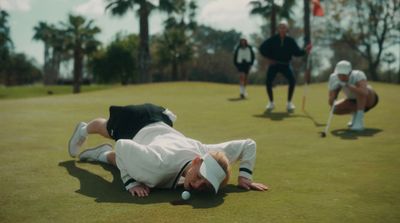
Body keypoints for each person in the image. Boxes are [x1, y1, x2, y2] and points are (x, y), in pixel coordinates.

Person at [68, 103, 268, 197]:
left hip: (159, 127)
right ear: (198, 160)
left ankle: (100, 154)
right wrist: (131, 182)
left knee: (130, 161)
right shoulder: (158, 167)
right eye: (200, 177)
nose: (197, 185)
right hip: (136, 122)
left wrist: (244, 178)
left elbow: (248, 144)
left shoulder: (209, 153)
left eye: (205, 184)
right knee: (106, 129)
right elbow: (122, 146)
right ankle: (84, 129)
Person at [259, 19, 312, 112]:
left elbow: (297, 52)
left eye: (284, 28)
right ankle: (271, 103)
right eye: (281, 27)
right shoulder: (272, 39)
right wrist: (269, 58)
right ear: (278, 29)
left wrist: (305, 51)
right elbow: (261, 48)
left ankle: (289, 103)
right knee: (268, 82)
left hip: (286, 65)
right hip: (274, 64)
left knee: (292, 81)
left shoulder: (290, 41)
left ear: (287, 29)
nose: (282, 29)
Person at [328, 60, 379, 131]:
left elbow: (364, 92)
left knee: (360, 92)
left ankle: (359, 122)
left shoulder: (358, 75)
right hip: (352, 100)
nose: (341, 77)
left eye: (344, 75)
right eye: (339, 74)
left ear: (350, 73)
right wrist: (335, 92)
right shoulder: (333, 78)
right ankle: (355, 115)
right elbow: (330, 102)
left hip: (370, 100)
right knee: (334, 109)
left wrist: (347, 85)